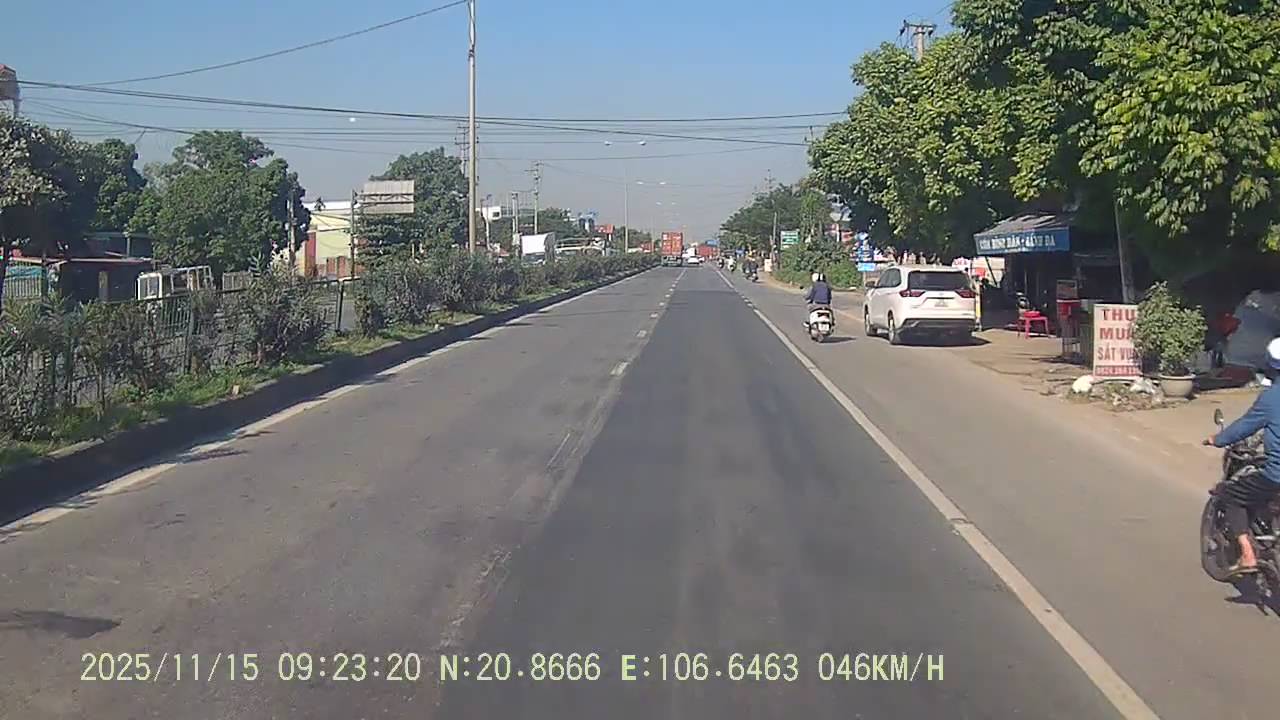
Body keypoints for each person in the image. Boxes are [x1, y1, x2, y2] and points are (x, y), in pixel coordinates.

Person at [1205, 337, 1280, 575]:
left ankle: (1247, 554)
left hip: (1276, 476)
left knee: (1230, 494)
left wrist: (1217, 439)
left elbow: (1244, 427)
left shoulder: (1271, 398)